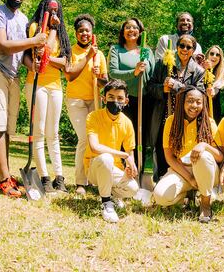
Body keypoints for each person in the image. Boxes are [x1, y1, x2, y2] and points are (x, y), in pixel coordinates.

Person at [0, 0, 47, 198]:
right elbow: (3, 46)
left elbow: (22, 53)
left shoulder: (23, 18)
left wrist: (32, 65)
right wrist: (34, 41)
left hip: (13, 74)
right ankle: (3, 179)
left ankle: (6, 175)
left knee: (7, 126)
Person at [22, 0, 72, 193]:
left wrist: (49, 59)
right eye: (50, 10)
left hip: (55, 86)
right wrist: (51, 31)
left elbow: (65, 63)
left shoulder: (61, 33)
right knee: (39, 131)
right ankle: (44, 177)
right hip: (37, 85)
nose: (53, 14)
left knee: (53, 133)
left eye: (56, 10)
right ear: (43, 10)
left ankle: (59, 177)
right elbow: (43, 50)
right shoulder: (36, 28)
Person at [152, 87, 223, 222]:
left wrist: (204, 145)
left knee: (203, 156)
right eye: (190, 101)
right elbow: (169, 157)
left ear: (203, 104)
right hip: (182, 170)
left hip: (206, 171)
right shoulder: (171, 121)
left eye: (198, 102)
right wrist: (190, 178)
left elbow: (220, 157)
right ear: (182, 103)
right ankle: (187, 194)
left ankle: (205, 203)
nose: (194, 105)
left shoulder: (209, 122)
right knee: (160, 197)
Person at [147, 34, 205, 180]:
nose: (184, 49)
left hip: (185, 117)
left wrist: (177, 86)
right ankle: (161, 177)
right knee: (162, 146)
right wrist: (162, 89)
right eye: (181, 46)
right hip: (164, 113)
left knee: (181, 146)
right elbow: (150, 86)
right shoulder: (164, 64)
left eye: (188, 47)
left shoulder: (198, 71)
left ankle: (185, 178)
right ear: (176, 47)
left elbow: (200, 93)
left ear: (193, 50)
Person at [84, 79, 140, 223]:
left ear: (126, 101)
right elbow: (95, 147)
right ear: (104, 99)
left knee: (133, 188)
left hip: (115, 168)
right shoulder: (93, 116)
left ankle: (113, 195)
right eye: (111, 97)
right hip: (94, 167)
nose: (115, 101)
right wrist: (123, 155)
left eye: (120, 98)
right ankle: (106, 202)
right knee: (106, 158)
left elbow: (130, 152)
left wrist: (130, 167)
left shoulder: (127, 123)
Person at [65, 14, 109, 195]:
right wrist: (88, 56)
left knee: (96, 140)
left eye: (87, 31)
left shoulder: (99, 54)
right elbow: (70, 75)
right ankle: (80, 182)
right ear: (76, 33)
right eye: (81, 31)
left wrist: (99, 76)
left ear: (92, 33)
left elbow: (105, 82)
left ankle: (93, 178)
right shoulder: (70, 51)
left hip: (94, 100)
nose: (84, 34)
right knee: (84, 138)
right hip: (76, 100)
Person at [108, 18, 154, 180]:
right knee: (123, 135)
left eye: (135, 27)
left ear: (140, 32)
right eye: (127, 27)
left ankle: (138, 171)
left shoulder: (146, 51)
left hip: (143, 99)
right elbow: (113, 73)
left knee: (140, 136)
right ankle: (122, 171)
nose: (131, 30)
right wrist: (134, 72)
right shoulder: (116, 49)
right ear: (123, 32)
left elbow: (152, 74)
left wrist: (144, 70)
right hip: (123, 101)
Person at [203, 45, 224, 124]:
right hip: (200, 106)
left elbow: (218, 87)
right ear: (207, 55)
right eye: (212, 54)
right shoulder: (199, 68)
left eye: (217, 55)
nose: (214, 56)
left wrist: (213, 92)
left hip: (213, 109)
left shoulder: (221, 71)